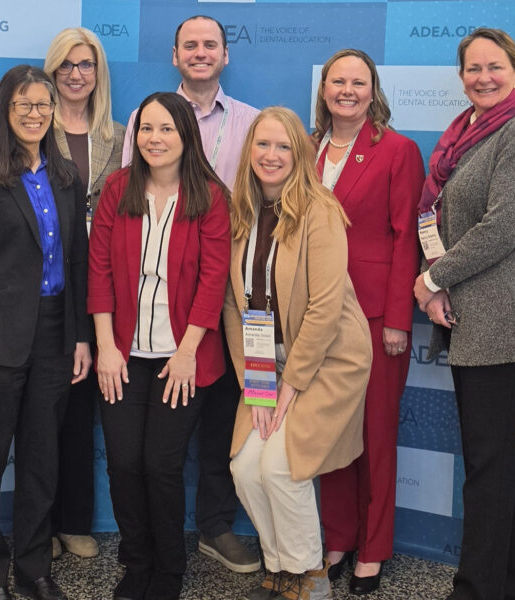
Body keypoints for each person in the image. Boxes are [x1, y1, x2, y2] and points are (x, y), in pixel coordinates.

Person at [412, 28, 515, 600]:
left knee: (486, 459)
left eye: (495, 67)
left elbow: (503, 226)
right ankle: (514, 584)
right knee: (498, 453)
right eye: (472, 68)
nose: (483, 76)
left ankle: (475, 590)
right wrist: (437, 287)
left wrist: (432, 278)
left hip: (514, 313)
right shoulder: (463, 135)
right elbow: (443, 219)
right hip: (472, 312)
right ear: (461, 77)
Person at [122, 15, 261, 573]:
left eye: (211, 45)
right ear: (174, 54)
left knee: (223, 410)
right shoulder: (144, 117)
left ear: (226, 55)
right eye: (190, 45)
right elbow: (136, 205)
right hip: (170, 297)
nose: (200, 53)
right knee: (163, 433)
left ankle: (214, 525)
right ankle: (156, 547)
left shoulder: (252, 122)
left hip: (239, 290)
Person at [224, 107, 372, 600]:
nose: (271, 156)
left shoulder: (320, 210)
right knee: (245, 468)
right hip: (267, 359)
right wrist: (254, 381)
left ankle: (310, 575)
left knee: (280, 467)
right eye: (262, 145)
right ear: (249, 152)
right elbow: (232, 304)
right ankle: (280, 566)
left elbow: (326, 307)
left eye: (283, 146)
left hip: (328, 358)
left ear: (299, 154)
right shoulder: (240, 211)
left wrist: (290, 385)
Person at [88, 91, 231, 600]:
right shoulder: (117, 188)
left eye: (166, 128)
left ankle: (169, 569)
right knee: (124, 463)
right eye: (146, 129)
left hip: (182, 358)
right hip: (122, 354)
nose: (155, 138)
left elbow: (214, 280)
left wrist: (189, 350)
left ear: (186, 135)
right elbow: (99, 269)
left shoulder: (211, 195)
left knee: (162, 466)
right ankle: (137, 561)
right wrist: (106, 346)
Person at [0, 65, 91, 600]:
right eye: (24, 105)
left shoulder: (64, 175)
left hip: (56, 336)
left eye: (43, 105)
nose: (35, 114)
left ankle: (35, 569)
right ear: (4, 112)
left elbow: (76, 263)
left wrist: (80, 336)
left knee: (42, 461)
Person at [311, 49, 425, 595]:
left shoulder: (398, 150)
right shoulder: (307, 149)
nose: (348, 91)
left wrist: (400, 319)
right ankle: (339, 536)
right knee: (331, 431)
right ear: (325, 88)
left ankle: (374, 549)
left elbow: (408, 238)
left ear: (373, 89)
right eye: (339, 81)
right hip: (319, 316)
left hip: (377, 314)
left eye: (359, 82)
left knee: (376, 434)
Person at [43, 26, 125, 561]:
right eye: (67, 65)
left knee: (79, 410)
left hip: (101, 286)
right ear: (52, 72)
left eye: (86, 64)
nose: (76, 74)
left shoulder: (121, 136)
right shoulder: (29, 129)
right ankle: (37, 525)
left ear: (99, 74)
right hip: (43, 289)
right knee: (40, 410)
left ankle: (72, 521)